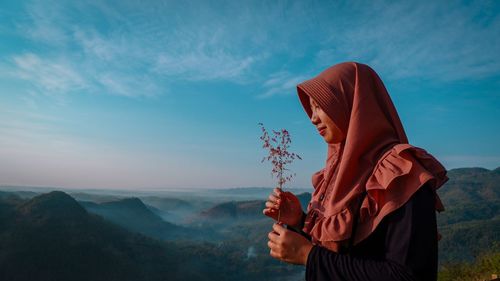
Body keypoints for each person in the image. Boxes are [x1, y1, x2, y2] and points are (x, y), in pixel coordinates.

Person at [263, 62, 449, 281]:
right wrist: (299, 221)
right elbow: (347, 252)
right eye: (311, 108)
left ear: (351, 104)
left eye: (320, 105)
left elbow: (409, 275)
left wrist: (308, 255)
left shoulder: (401, 175)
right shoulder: (338, 175)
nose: (312, 118)